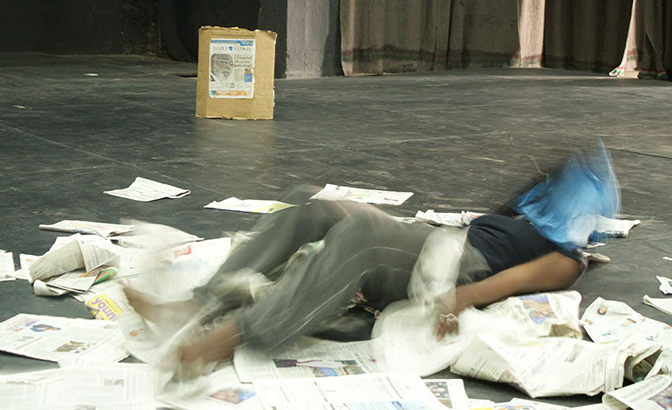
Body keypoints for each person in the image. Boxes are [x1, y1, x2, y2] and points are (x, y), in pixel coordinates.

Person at [125, 143, 619, 376]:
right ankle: (199, 304)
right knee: (316, 207)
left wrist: (456, 299)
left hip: (450, 268)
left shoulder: (567, 257)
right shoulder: (524, 217)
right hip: (434, 243)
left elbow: (504, 283)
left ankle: (230, 337)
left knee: (362, 235)